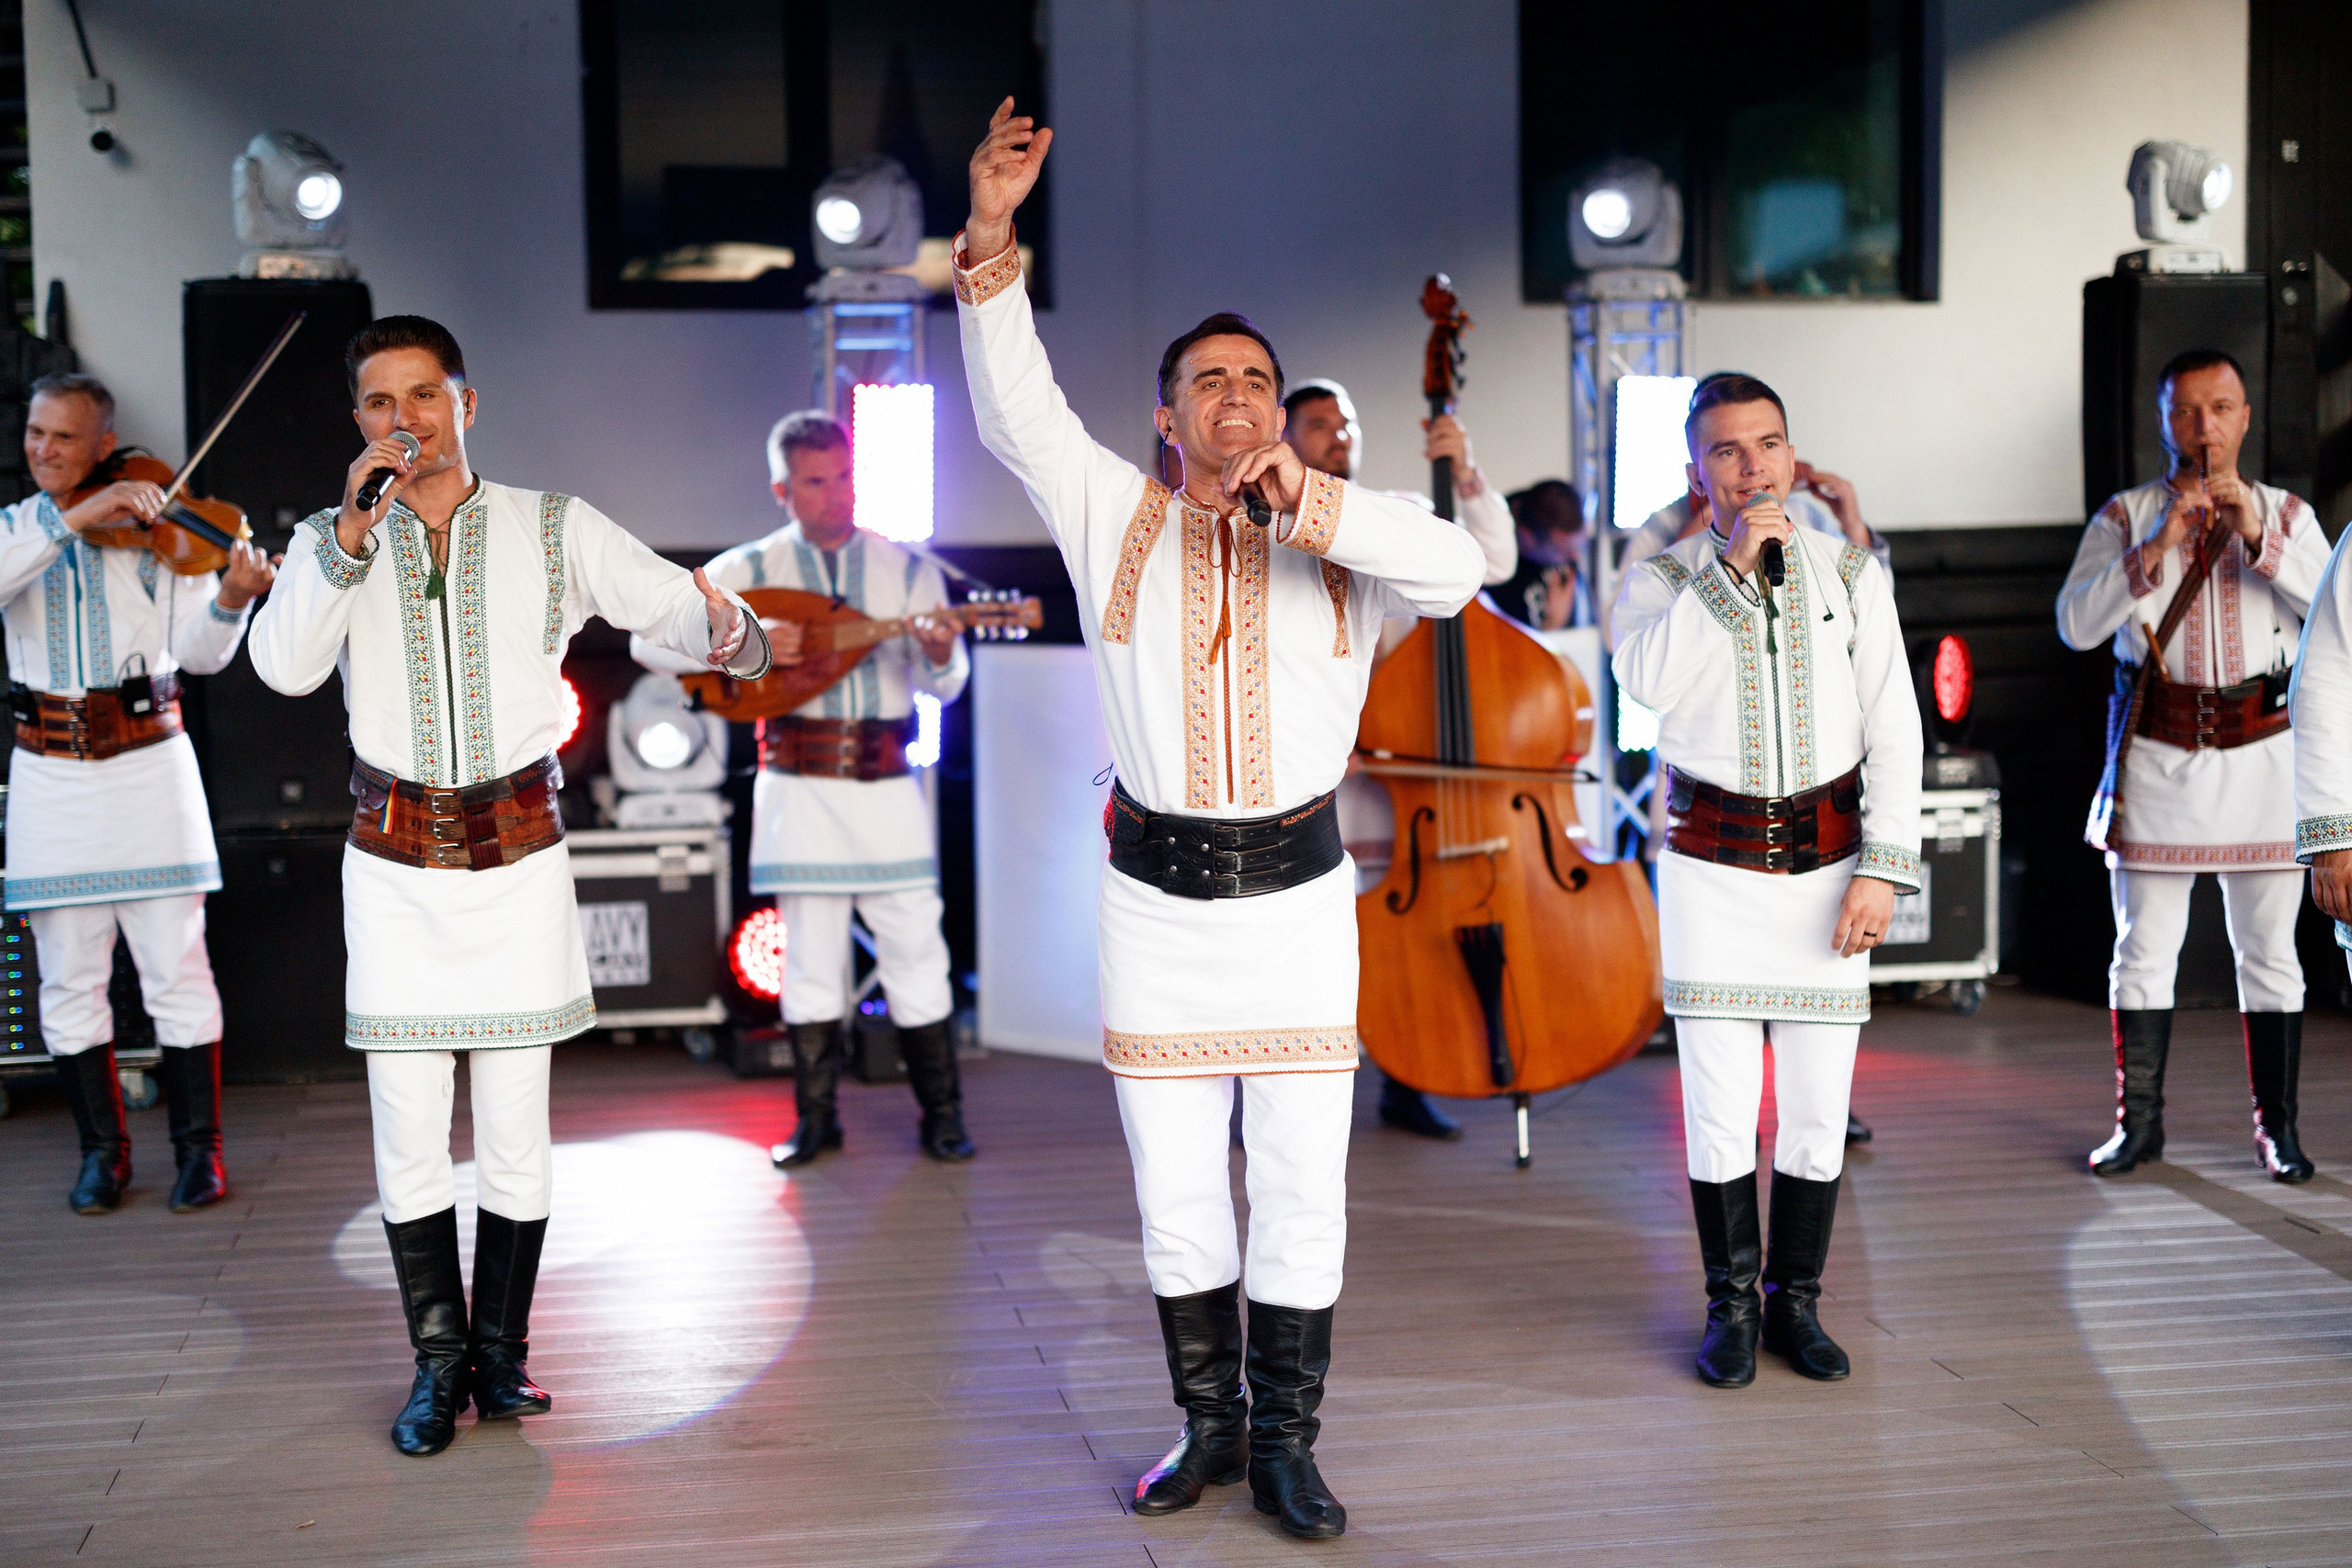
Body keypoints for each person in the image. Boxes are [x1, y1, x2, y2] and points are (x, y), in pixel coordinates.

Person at [956, 100, 1483, 1539]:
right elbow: (1015, 410)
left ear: (1278, 402)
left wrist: (1313, 498)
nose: (1236, 396)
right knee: (1178, 1187)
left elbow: (1459, 569)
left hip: (1302, 911)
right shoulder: (1105, 510)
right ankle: (1210, 1429)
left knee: (1307, 1182)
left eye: (1256, 377)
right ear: (1168, 412)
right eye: (1209, 380)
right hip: (1157, 908)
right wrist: (993, 237)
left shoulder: (1349, 530)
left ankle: (1295, 1441)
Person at [248, 316, 769, 1459]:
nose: (404, 421)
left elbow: (670, 604)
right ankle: (436, 1368)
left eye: (423, 396)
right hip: (390, 866)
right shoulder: (327, 541)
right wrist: (343, 536)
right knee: (407, 1131)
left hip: (522, 859)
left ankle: (502, 1361)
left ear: (466, 405)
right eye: (380, 403)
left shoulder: (550, 525)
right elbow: (281, 666)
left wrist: (729, 631)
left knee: (521, 1132)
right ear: (358, 425)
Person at [1611, 374, 1921, 1390]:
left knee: (1818, 1110)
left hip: (1830, 876)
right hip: (1710, 877)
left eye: (1768, 446)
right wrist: (1732, 573)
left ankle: (1797, 1303)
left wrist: (1881, 868)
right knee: (1717, 1108)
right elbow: (1647, 687)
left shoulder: (1852, 575)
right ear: (1697, 472)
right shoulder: (1656, 582)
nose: (1753, 469)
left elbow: (1895, 733)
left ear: (1793, 456)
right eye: (1729, 452)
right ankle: (1729, 1308)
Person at [630, 410, 972, 1166]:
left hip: (886, 783)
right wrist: (737, 647)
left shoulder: (910, 570)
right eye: (816, 482)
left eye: (845, 476)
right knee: (812, 959)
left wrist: (942, 654)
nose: (835, 495)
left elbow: (947, 686)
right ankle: (817, 1120)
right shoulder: (750, 568)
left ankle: (942, 1114)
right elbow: (645, 639)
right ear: (782, 489)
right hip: (797, 785)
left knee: (917, 946)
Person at [2, 373, 276, 1215]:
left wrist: (229, 599)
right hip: (50, 776)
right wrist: (79, 515)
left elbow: (198, 658)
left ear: (103, 444)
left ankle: (201, 1154)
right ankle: (102, 1156)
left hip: (151, 766)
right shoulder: (17, 529)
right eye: (35, 433)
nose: (43, 449)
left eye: (63, 437)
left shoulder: (161, 530)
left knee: (177, 969)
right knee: (69, 980)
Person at [2056, 348, 2327, 1182]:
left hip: (2263, 755)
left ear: (2245, 417)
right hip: (2161, 757)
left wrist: (2259, 538)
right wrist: (2158, 543)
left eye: (2220, 408)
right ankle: (2138, 1125)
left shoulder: (2288, 511)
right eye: (2185, 411)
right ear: (2163, 419)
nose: (2202, 427)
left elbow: (2335, 615)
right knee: (2142, 948)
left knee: (2272, 952)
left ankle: (2276, 1130)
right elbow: (2075, 623)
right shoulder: (2125, 513)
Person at [1282, 376, 1515, 1142]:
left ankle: (1407, 1077)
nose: (1336, 434)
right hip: (1324, 777)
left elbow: (1497, 562)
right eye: (1318, 424)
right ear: (1285, 439)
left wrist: (1467, 473)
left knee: (1401, 937)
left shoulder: (1401, 515)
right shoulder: (1268, 530)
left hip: (1408, 779)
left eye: (1344, 421)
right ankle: (1308, 1093)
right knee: (1319, 940)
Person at [1493, 479, 1593, 632]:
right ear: (1527, 537)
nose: (1574, 557)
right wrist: (1552, 628)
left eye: (1579, 546)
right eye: (1561, 551)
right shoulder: (1493, 575)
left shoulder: (1556, 528)